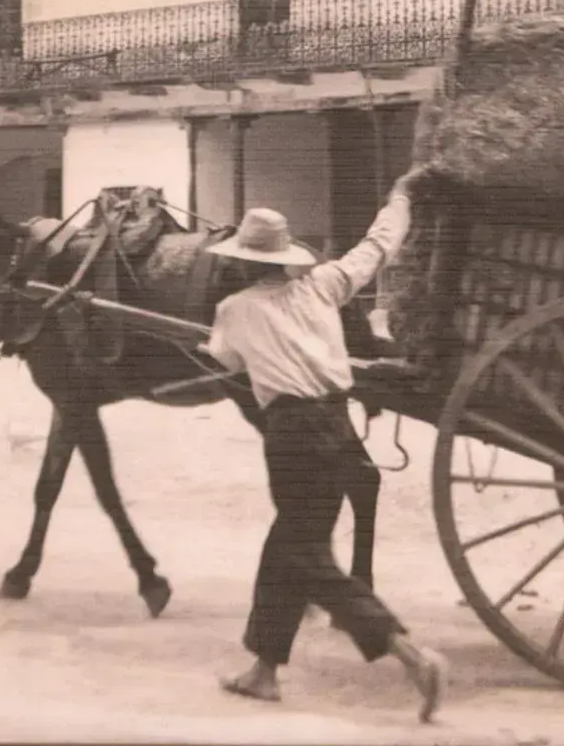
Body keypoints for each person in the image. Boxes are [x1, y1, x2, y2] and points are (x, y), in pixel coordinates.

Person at [203, 170, 448, 722]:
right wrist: (400, 198)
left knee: (305, 555)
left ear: (242, 262)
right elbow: (377, 247)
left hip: (293, 437)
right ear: (287, 258)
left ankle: (409, 654)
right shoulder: (327, 284)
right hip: (340, 429)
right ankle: (264, 670)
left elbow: (224, 362)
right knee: (290, 541)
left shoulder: (234, 311)